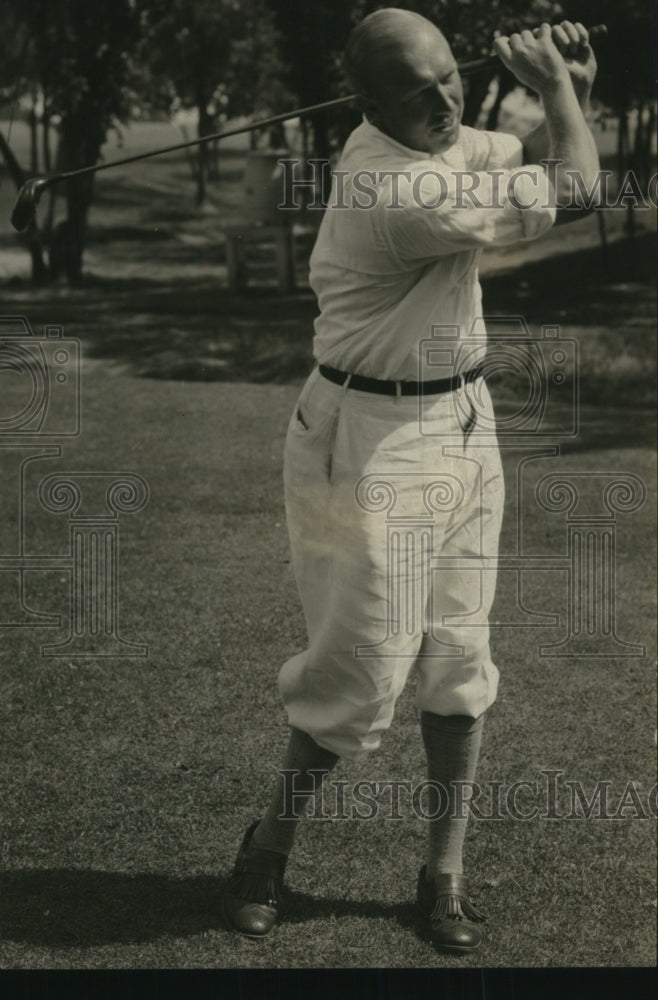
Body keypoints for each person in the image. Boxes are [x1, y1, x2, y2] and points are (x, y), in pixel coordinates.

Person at [221, 7, 598, 954]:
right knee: (358, 678)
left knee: (460, 665)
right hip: (369, 437)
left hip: (463, 418)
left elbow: (524, 156)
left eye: (450, 77)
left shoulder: (441, 143)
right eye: (418, 90)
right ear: (368, 104)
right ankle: (266, 848)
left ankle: (444, 878)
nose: (445, 99)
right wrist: (558, 91)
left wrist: (571, 96)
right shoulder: (395, 187)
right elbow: (579, 189)